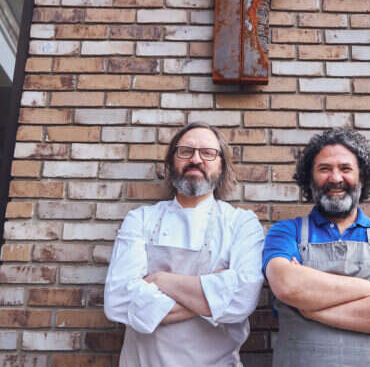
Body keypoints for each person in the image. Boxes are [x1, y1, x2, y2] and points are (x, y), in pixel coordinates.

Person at [104, 122, 265, 367]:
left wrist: (159, 280)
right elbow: (117, 302)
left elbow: (242, 299)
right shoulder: (141, 219)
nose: (196, 159)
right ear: (171, 163)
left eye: (208, 153)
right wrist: (213, 293)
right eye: (185, 151)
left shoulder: (241, 223)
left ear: (222, 166)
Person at [263, 128, 370, 367]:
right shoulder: (286, 232)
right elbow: (288, 286)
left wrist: (311, 310)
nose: (335, 178)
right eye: (324, 169)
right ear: (310, 178)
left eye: (345, 169)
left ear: (362, 177)